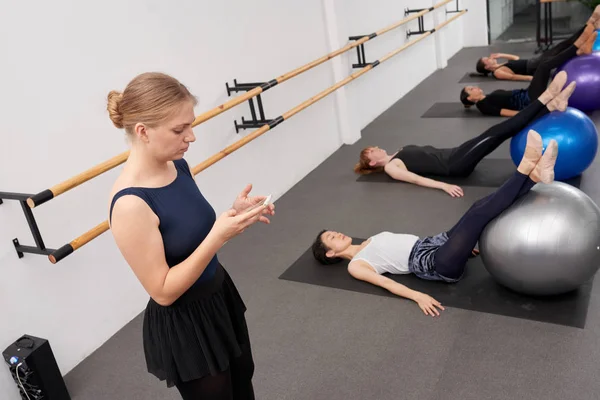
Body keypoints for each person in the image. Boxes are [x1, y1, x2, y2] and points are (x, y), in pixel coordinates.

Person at [107, 72, 274, 399]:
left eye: (191, 125)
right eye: (180, 129)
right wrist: (219, 236)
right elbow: (163, 292)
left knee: (243, 382)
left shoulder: (177, 166)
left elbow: (189, 233)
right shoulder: (130, 204)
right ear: (143, 131)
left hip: (218, 295)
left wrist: (234, 212)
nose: (192, 137)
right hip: (186, 323)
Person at [314, 129, 558, 317]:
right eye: (332, 238)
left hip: (434, 243)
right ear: (333, 253)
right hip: (433, 264)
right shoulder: (356, 265)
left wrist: (458, 245)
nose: (338, 233)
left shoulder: (367, 241)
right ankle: (526, 170)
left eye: (333, 232)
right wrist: (418, 296)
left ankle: (535, 176)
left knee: (476, 208)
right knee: (477, 216)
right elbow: (386, 282)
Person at [354, 71, 574, 197]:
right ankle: (547, 100)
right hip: (455, 165)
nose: (376, 148)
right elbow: (416, 179)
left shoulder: (398, 153)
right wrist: (444, 186)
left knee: (497, 131)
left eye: (372, 147)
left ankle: (552, 104)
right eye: (371, 152)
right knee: (500, 132)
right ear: (372, 163)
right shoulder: (392, 167)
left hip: (456, 152)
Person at [460, 23, 597, 117]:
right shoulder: (483, 106)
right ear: (471, 98)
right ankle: (577, 49)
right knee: (544, 66)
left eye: (472, 87)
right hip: (530, 100)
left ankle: (578, 49)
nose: (475, 88)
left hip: (527, 94)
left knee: (547, 62)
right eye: (471, 90)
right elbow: (505, 112)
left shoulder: (487, 98)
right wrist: (534, 113)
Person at [473, 6, 600, 81]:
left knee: (564, 45)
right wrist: (534, 79)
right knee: (565, 48)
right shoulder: (498, 72)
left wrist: (501, 54)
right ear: (486, 67)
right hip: (536, 65)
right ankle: (590, 25)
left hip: (535, 61)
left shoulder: (501, 65)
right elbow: (515, 77)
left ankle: (590, 25)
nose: (490, 58)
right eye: (487, 60)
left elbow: (517, 59)